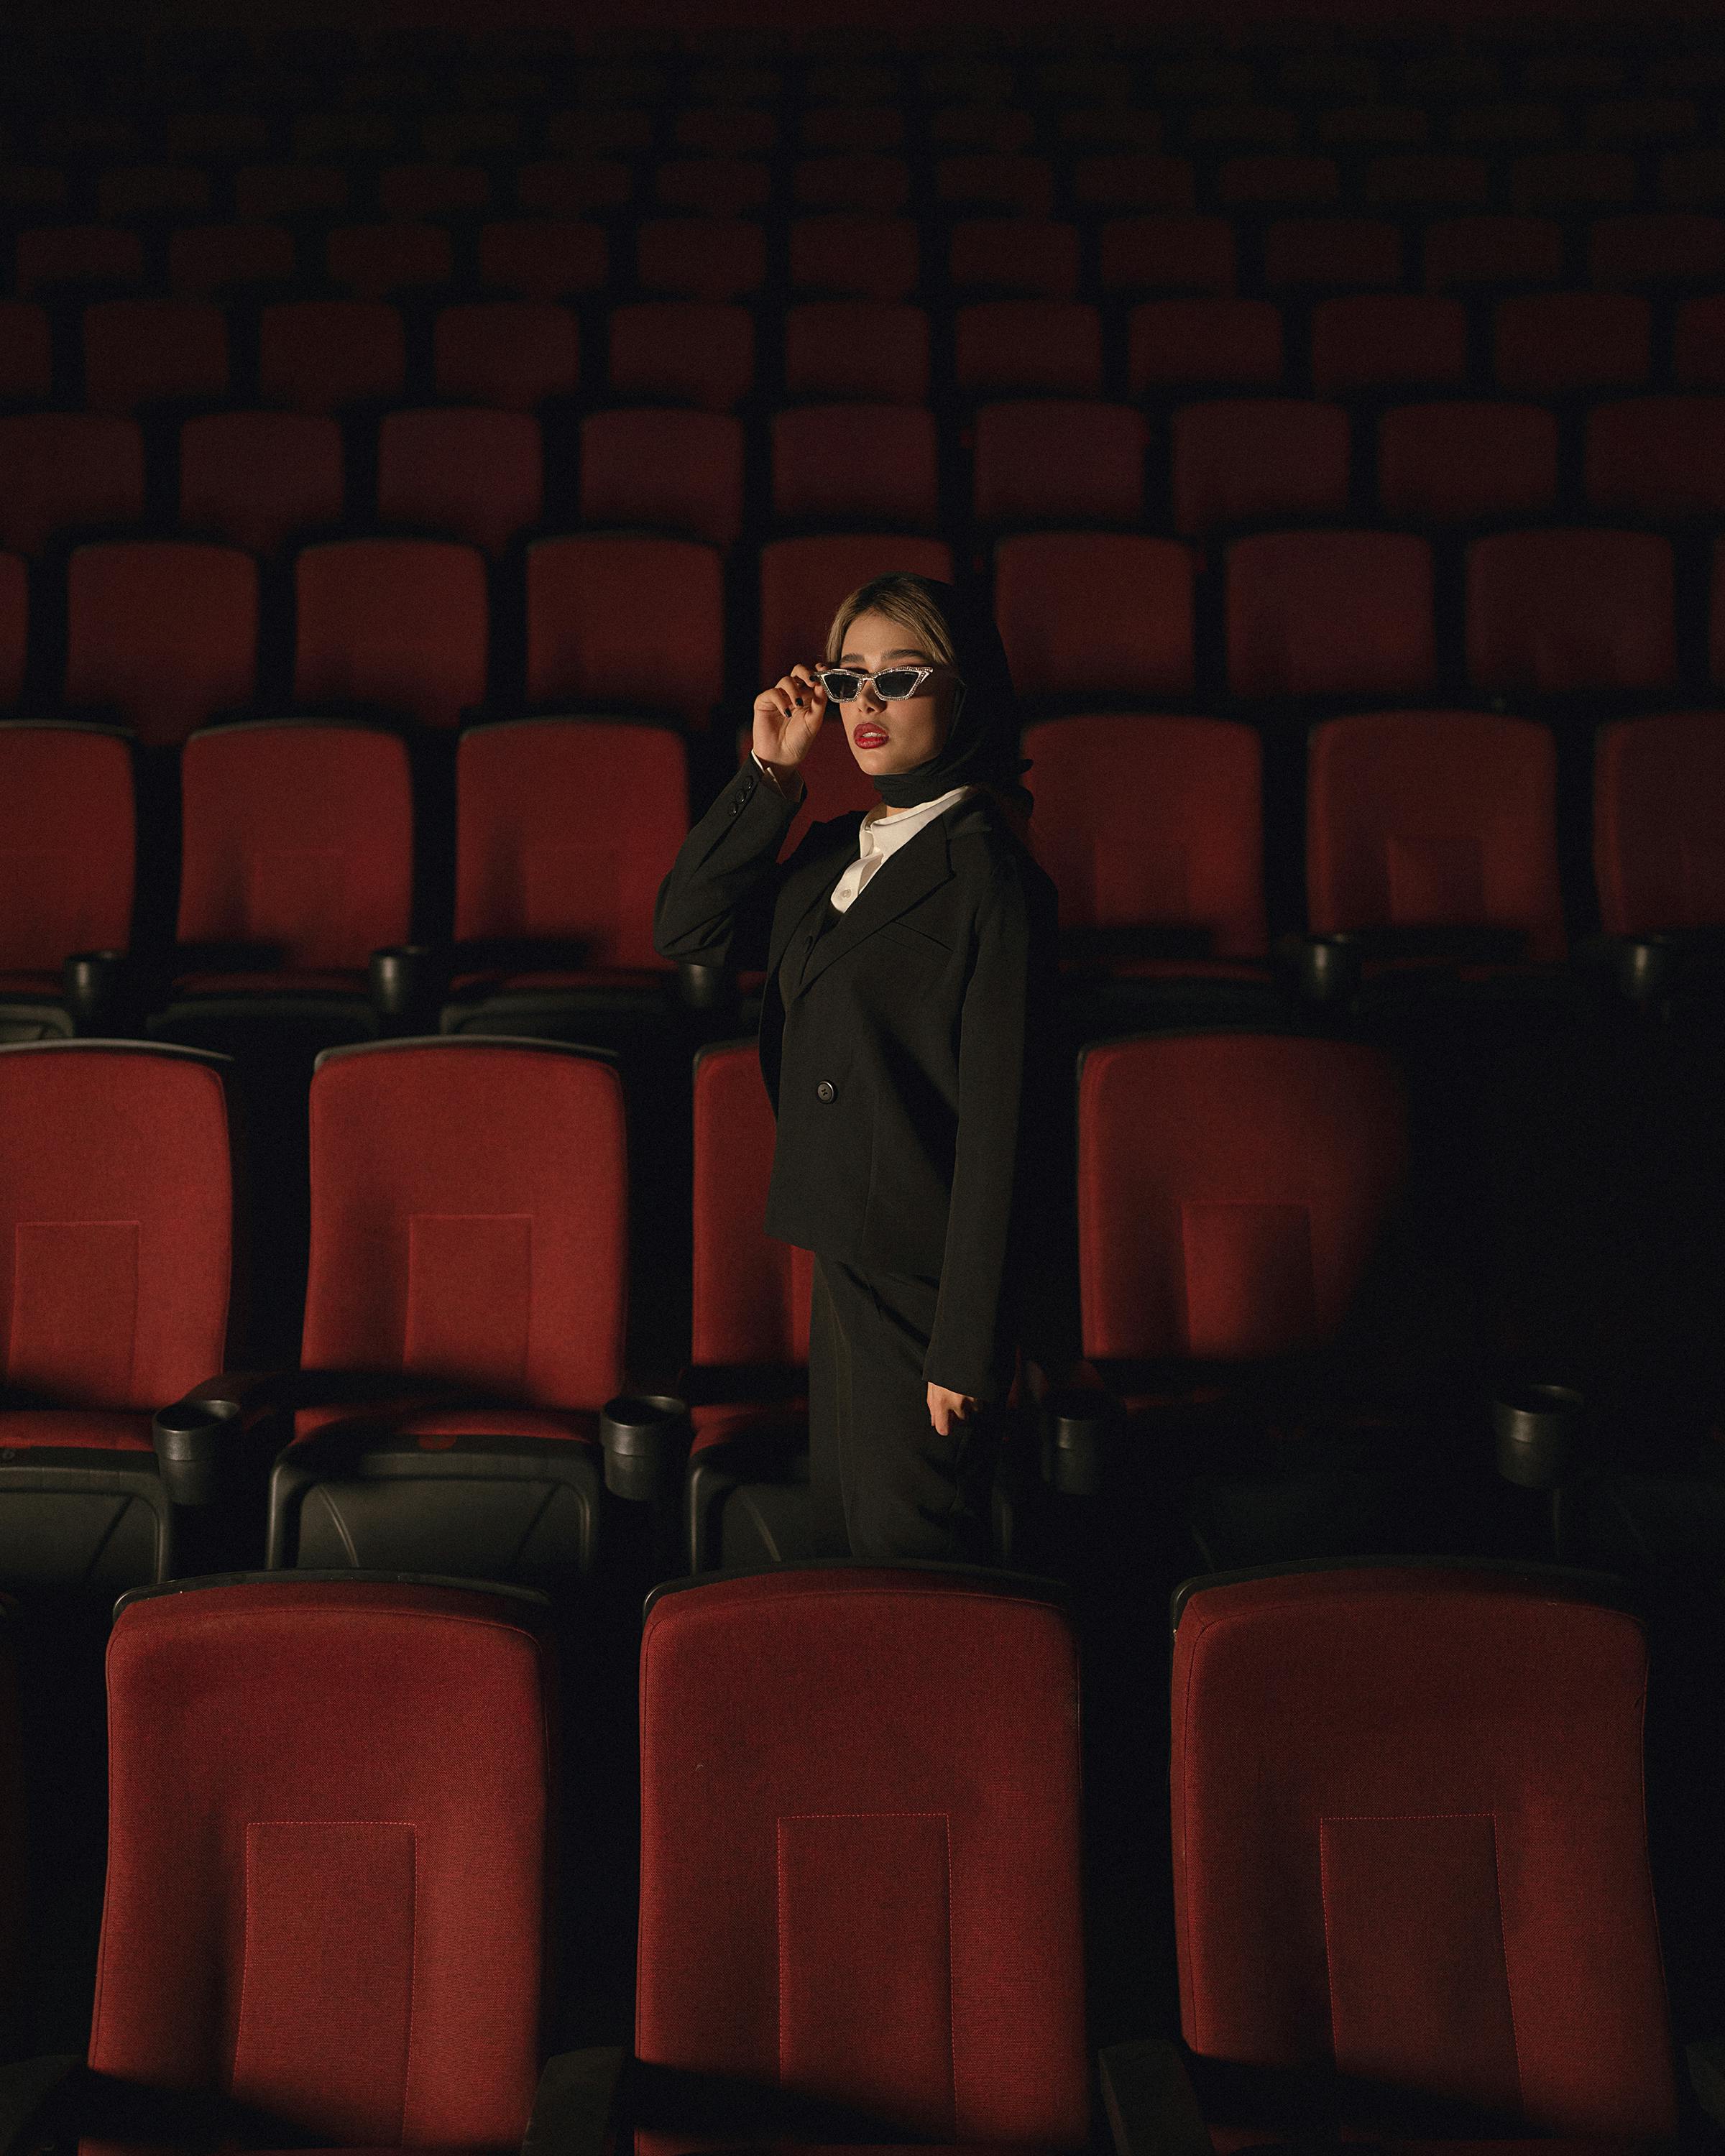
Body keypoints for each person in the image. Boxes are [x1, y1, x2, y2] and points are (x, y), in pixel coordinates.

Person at [654, 571, 1074, 1562]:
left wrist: (969, 1345)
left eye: (901, 675)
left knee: (915, 1567)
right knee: (851, 1554)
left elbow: (1005, 1128)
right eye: (847, 681)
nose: (867, 706)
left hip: (929, 1293)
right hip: (845, 1264)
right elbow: (689, 927)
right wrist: (771, 773)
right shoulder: (843, 848)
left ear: (964, 691)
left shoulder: (993, 878)